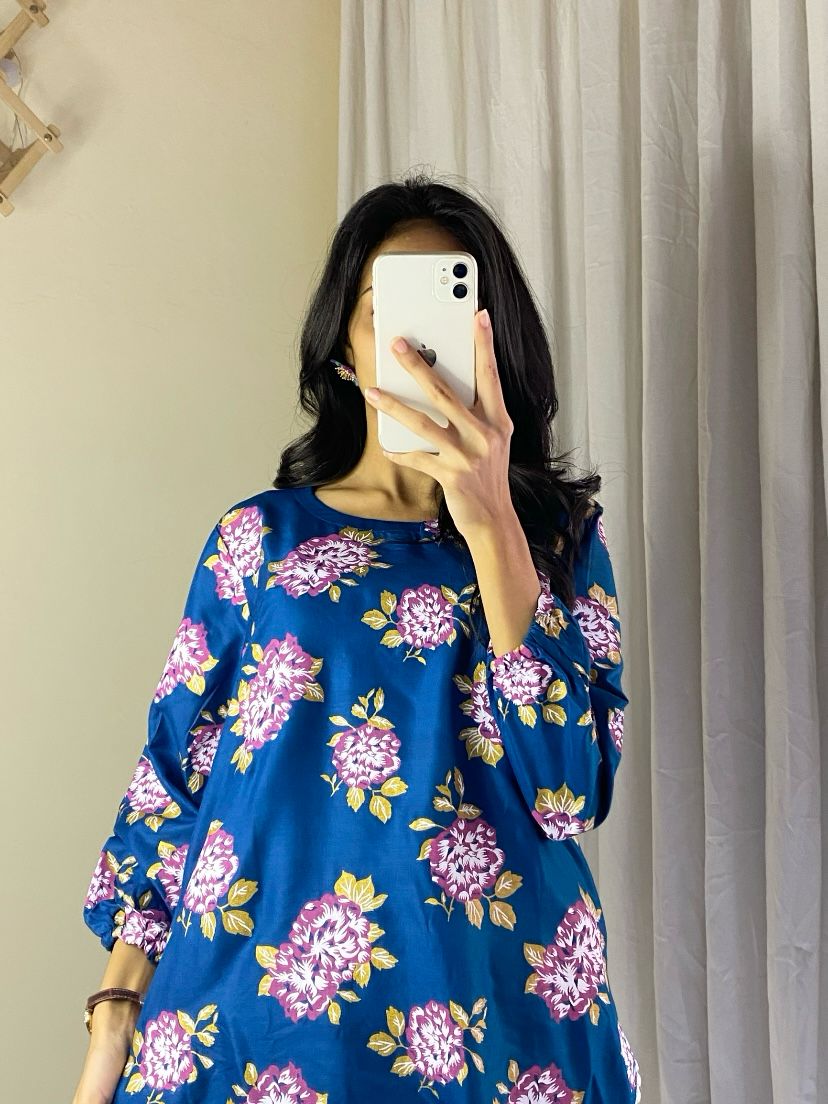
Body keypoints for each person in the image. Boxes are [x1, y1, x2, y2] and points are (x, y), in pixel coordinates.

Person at [72, 172, 641, 1104]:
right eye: (387, 312)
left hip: (501, 1022)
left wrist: (492, 519)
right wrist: (112, 1020)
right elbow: (174, 777)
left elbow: (569, 791)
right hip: (250, 1022)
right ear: (343, 342)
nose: (416, 346)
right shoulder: (259, 539)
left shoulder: (559, 541)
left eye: (448, 312)